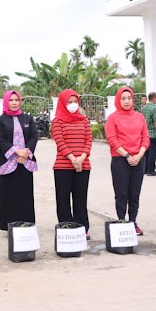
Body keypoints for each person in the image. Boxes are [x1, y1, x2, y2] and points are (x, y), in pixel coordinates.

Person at [104, 86, 149, 236]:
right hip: (120, 160)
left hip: (138, 159)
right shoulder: (112, 118)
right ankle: (122, 221)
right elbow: (112, 140)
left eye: (129, 98)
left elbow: (145, 138)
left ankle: (133, 222)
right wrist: (128, 156)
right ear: (118, 100)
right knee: (121, 193)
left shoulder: (139, 117)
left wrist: (139, 155)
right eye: (123, 98)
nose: (126, 101)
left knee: (134, 193)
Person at [0, 90, 38, 231]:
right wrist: (16, 151)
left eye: (16, 100)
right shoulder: (0, 121)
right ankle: (9, 224)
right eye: (11, 100)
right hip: (8, 162)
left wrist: (25, 153)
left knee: (25, 193)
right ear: (7, 102)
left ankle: (26, 223)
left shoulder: (27, 119)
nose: (14, 103)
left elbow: (34, 136)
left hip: (25, 161)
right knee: (9, 193)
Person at [51, 89, 92, 239]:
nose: (73, 104)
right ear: (63, 103)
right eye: (69, 102)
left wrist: (81, 159)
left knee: (80, 199)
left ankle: (82, 227)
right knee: (63, 199)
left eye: (75, 101)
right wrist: (73, 159)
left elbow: (89, 140)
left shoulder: (84, 120)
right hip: (63, 166)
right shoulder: (57, 121)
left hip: (83, 165)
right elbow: (60, 142)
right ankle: (66, 227)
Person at [142, 92, 156, 176]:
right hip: (153, 134)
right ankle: (151, 170)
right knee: (153, 153)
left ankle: (145, 169)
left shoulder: (144, 108)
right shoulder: (154, 108)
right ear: (154, 98)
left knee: (146, 153)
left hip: (145, 134)